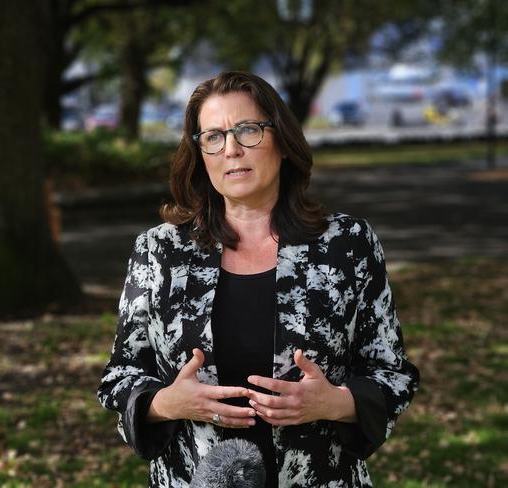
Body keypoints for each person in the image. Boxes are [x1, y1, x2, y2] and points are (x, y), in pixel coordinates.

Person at [98, 71, 419, 487]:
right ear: (200, 153)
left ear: (282, 141)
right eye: (213, 136)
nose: (231, 149)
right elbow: (120, 376)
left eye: (248, 130)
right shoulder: (158, 252)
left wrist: (336, 403)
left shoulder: (348, 244)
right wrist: (166, 403)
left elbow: (392, 373)